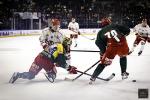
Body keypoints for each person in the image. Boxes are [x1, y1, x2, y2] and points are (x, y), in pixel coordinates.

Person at [9, 40, 77, 84]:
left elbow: (57, 59)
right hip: (47, 61)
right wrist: (70, 68)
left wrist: (58, 62)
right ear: (66, 45)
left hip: (39, 57)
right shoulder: (61, 48)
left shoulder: (56, 45)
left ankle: (17, 74)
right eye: (69, 45)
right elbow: (61, 62)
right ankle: (50, 74)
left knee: (31, 75)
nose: (69, 47)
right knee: (54, 73)